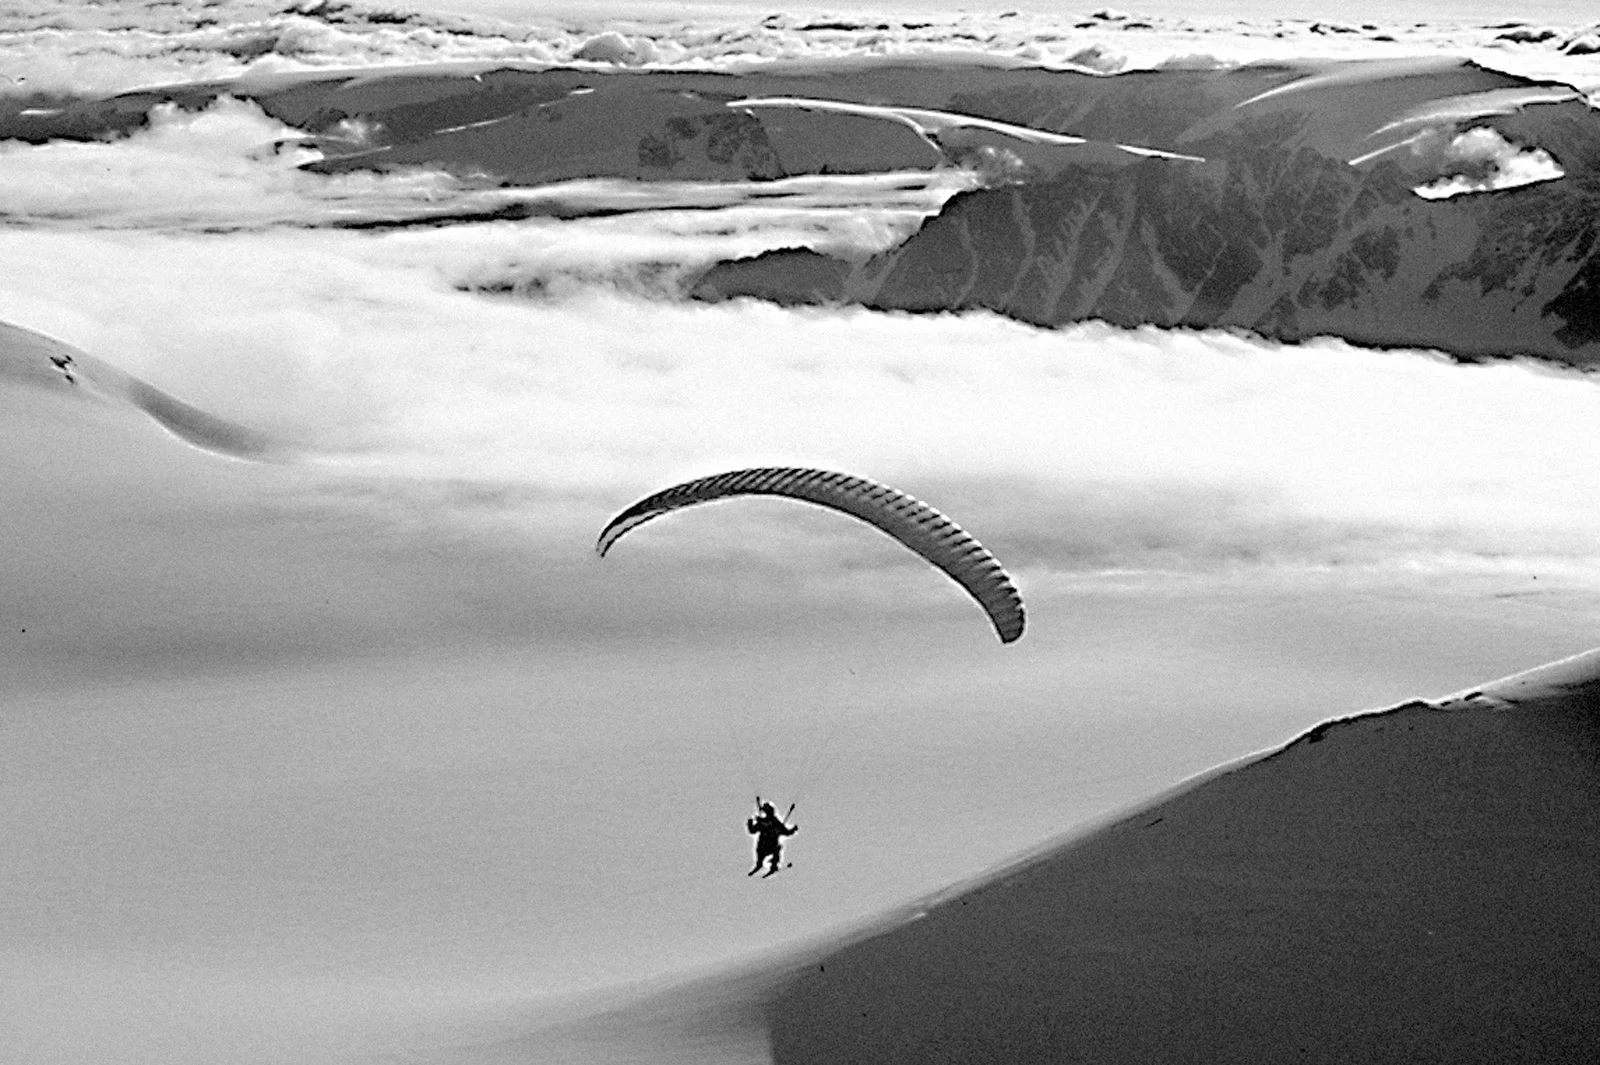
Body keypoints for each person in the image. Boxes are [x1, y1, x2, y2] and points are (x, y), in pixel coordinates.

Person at [746, 800, 798, 877]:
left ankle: (772, 865)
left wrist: (793, 830)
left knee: (776, 848)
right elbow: (753, 830)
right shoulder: (765, 822)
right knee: (773, 848)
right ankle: (762, 864)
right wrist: (750, 824)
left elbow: (785, 832)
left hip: (769, 846)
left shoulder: (770, 822)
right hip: (764, 846)